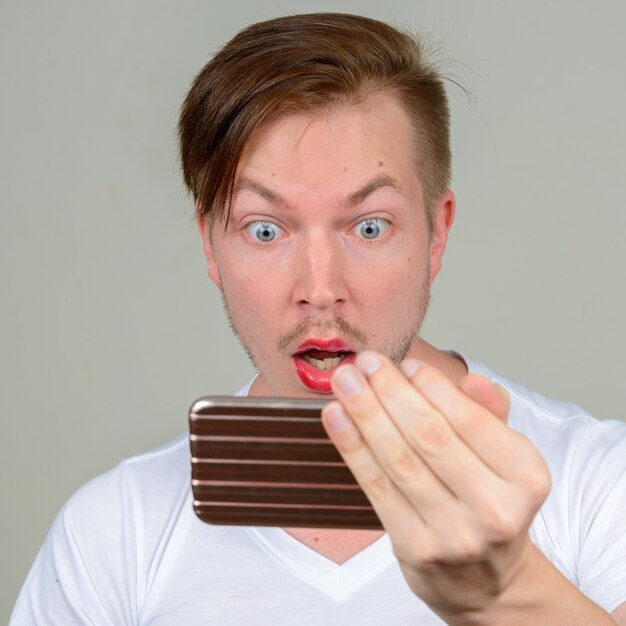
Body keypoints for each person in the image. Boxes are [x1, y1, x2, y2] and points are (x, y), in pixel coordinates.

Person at [11, 12, 626, 625]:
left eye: (369, 226)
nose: (321, 290)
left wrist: (510, 593)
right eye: (265, 229)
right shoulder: (112, 534)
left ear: (437, 233)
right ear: (210, 245)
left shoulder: (600, 486)